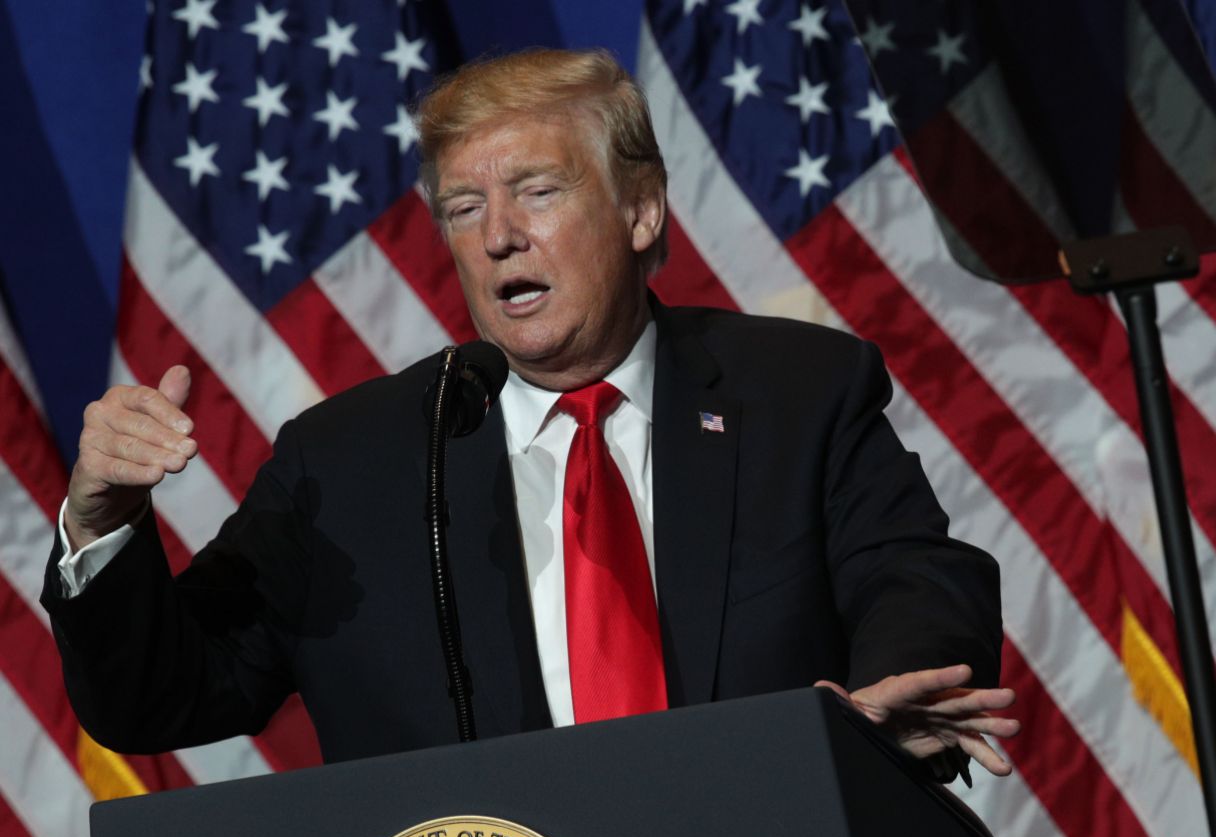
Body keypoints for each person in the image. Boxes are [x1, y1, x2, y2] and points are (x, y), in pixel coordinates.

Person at [43, 48, 1017, 778]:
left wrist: (888, 694)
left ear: (641, 210)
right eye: (464, 208)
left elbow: (915, 574)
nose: (499, 236)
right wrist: (100, 524)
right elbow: (163, 689)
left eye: (537, 191)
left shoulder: (797, 395)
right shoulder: (351, 463)